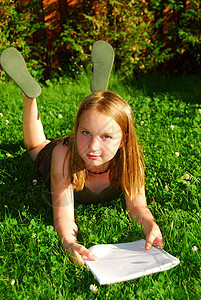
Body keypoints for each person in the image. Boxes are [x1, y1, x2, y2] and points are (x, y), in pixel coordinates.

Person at [0, 41, 163, 265]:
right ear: (76, 129)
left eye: (106, 136)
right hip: (64, 150)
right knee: (36, 147)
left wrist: (151, 225)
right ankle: (30, 98)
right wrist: (68, 241)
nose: (93, 147)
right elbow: (64, 216)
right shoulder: (62, 156)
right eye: (85, 132)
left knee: (96, 117)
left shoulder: (130, 162)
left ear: (124, 140)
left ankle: (99, 101)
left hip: (85, 143)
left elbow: (137, 207)